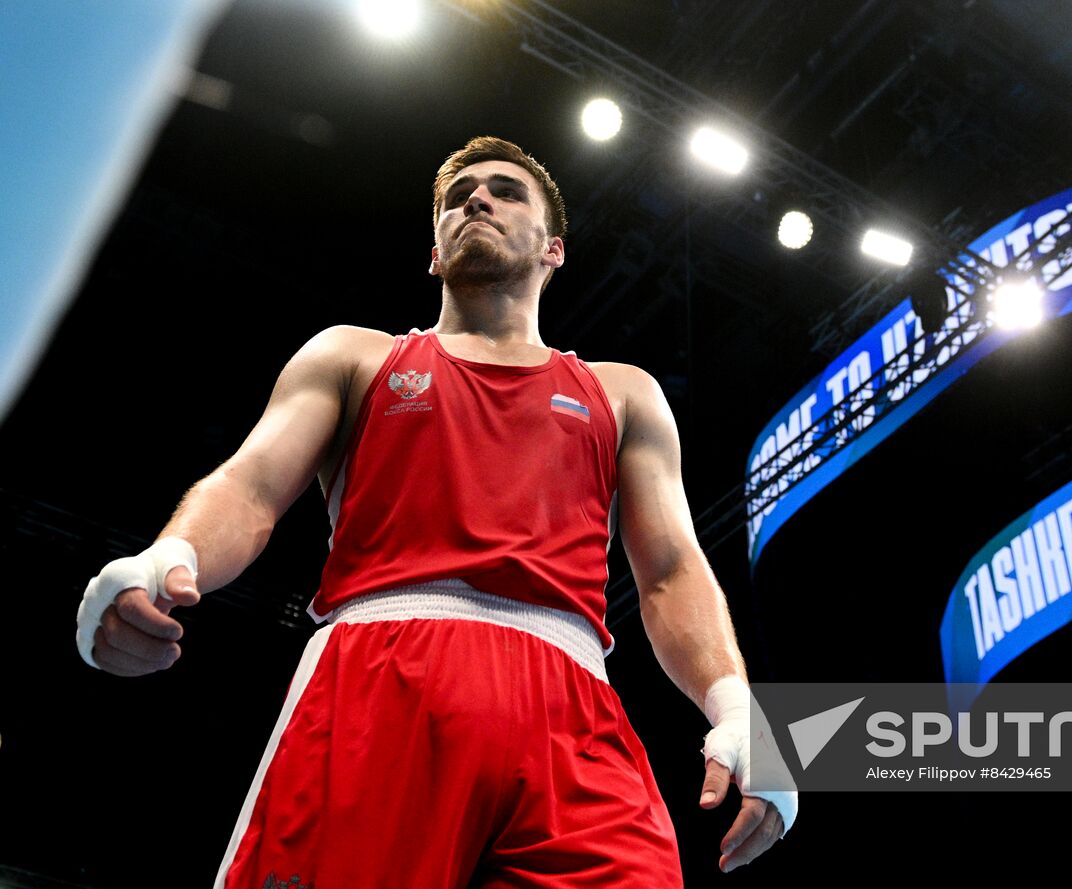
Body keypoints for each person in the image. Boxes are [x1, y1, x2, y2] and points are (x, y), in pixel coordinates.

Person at [74, 136, 796, 887]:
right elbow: (252, 486)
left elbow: (672, 570)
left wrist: (736, 709)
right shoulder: (354, 358)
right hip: (380, 681)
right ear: (432, 253)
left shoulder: (623, 392)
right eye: (459, 196)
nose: (477, 200)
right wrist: (168, 556)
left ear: (554, 249)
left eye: (505, 191)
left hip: (572, 709)